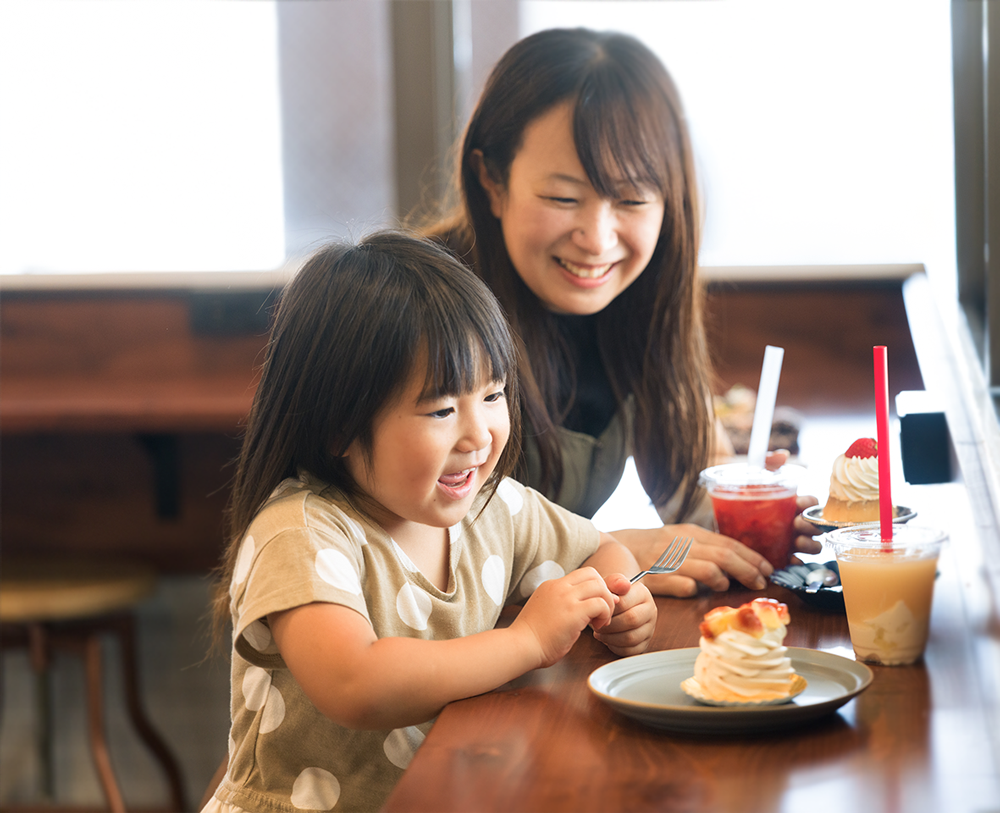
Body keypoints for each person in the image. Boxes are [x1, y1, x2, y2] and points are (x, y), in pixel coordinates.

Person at [202, 231, 657, 813]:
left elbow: (601, 551)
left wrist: (622, 601)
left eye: (493, 396)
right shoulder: (300, 533)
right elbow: (356, 684)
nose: (478, 434)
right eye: (441, 409)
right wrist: (526, 641)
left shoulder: (493, 509)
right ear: (339, 425)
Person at [416, 27, 820, 597]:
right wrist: (606, 550)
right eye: (563, 197)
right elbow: (405, 553)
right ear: (492, 180)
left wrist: (751, 512)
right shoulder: (417, 314)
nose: (597, 239)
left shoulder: (640, 305)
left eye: (631, 199)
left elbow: (695, 486)